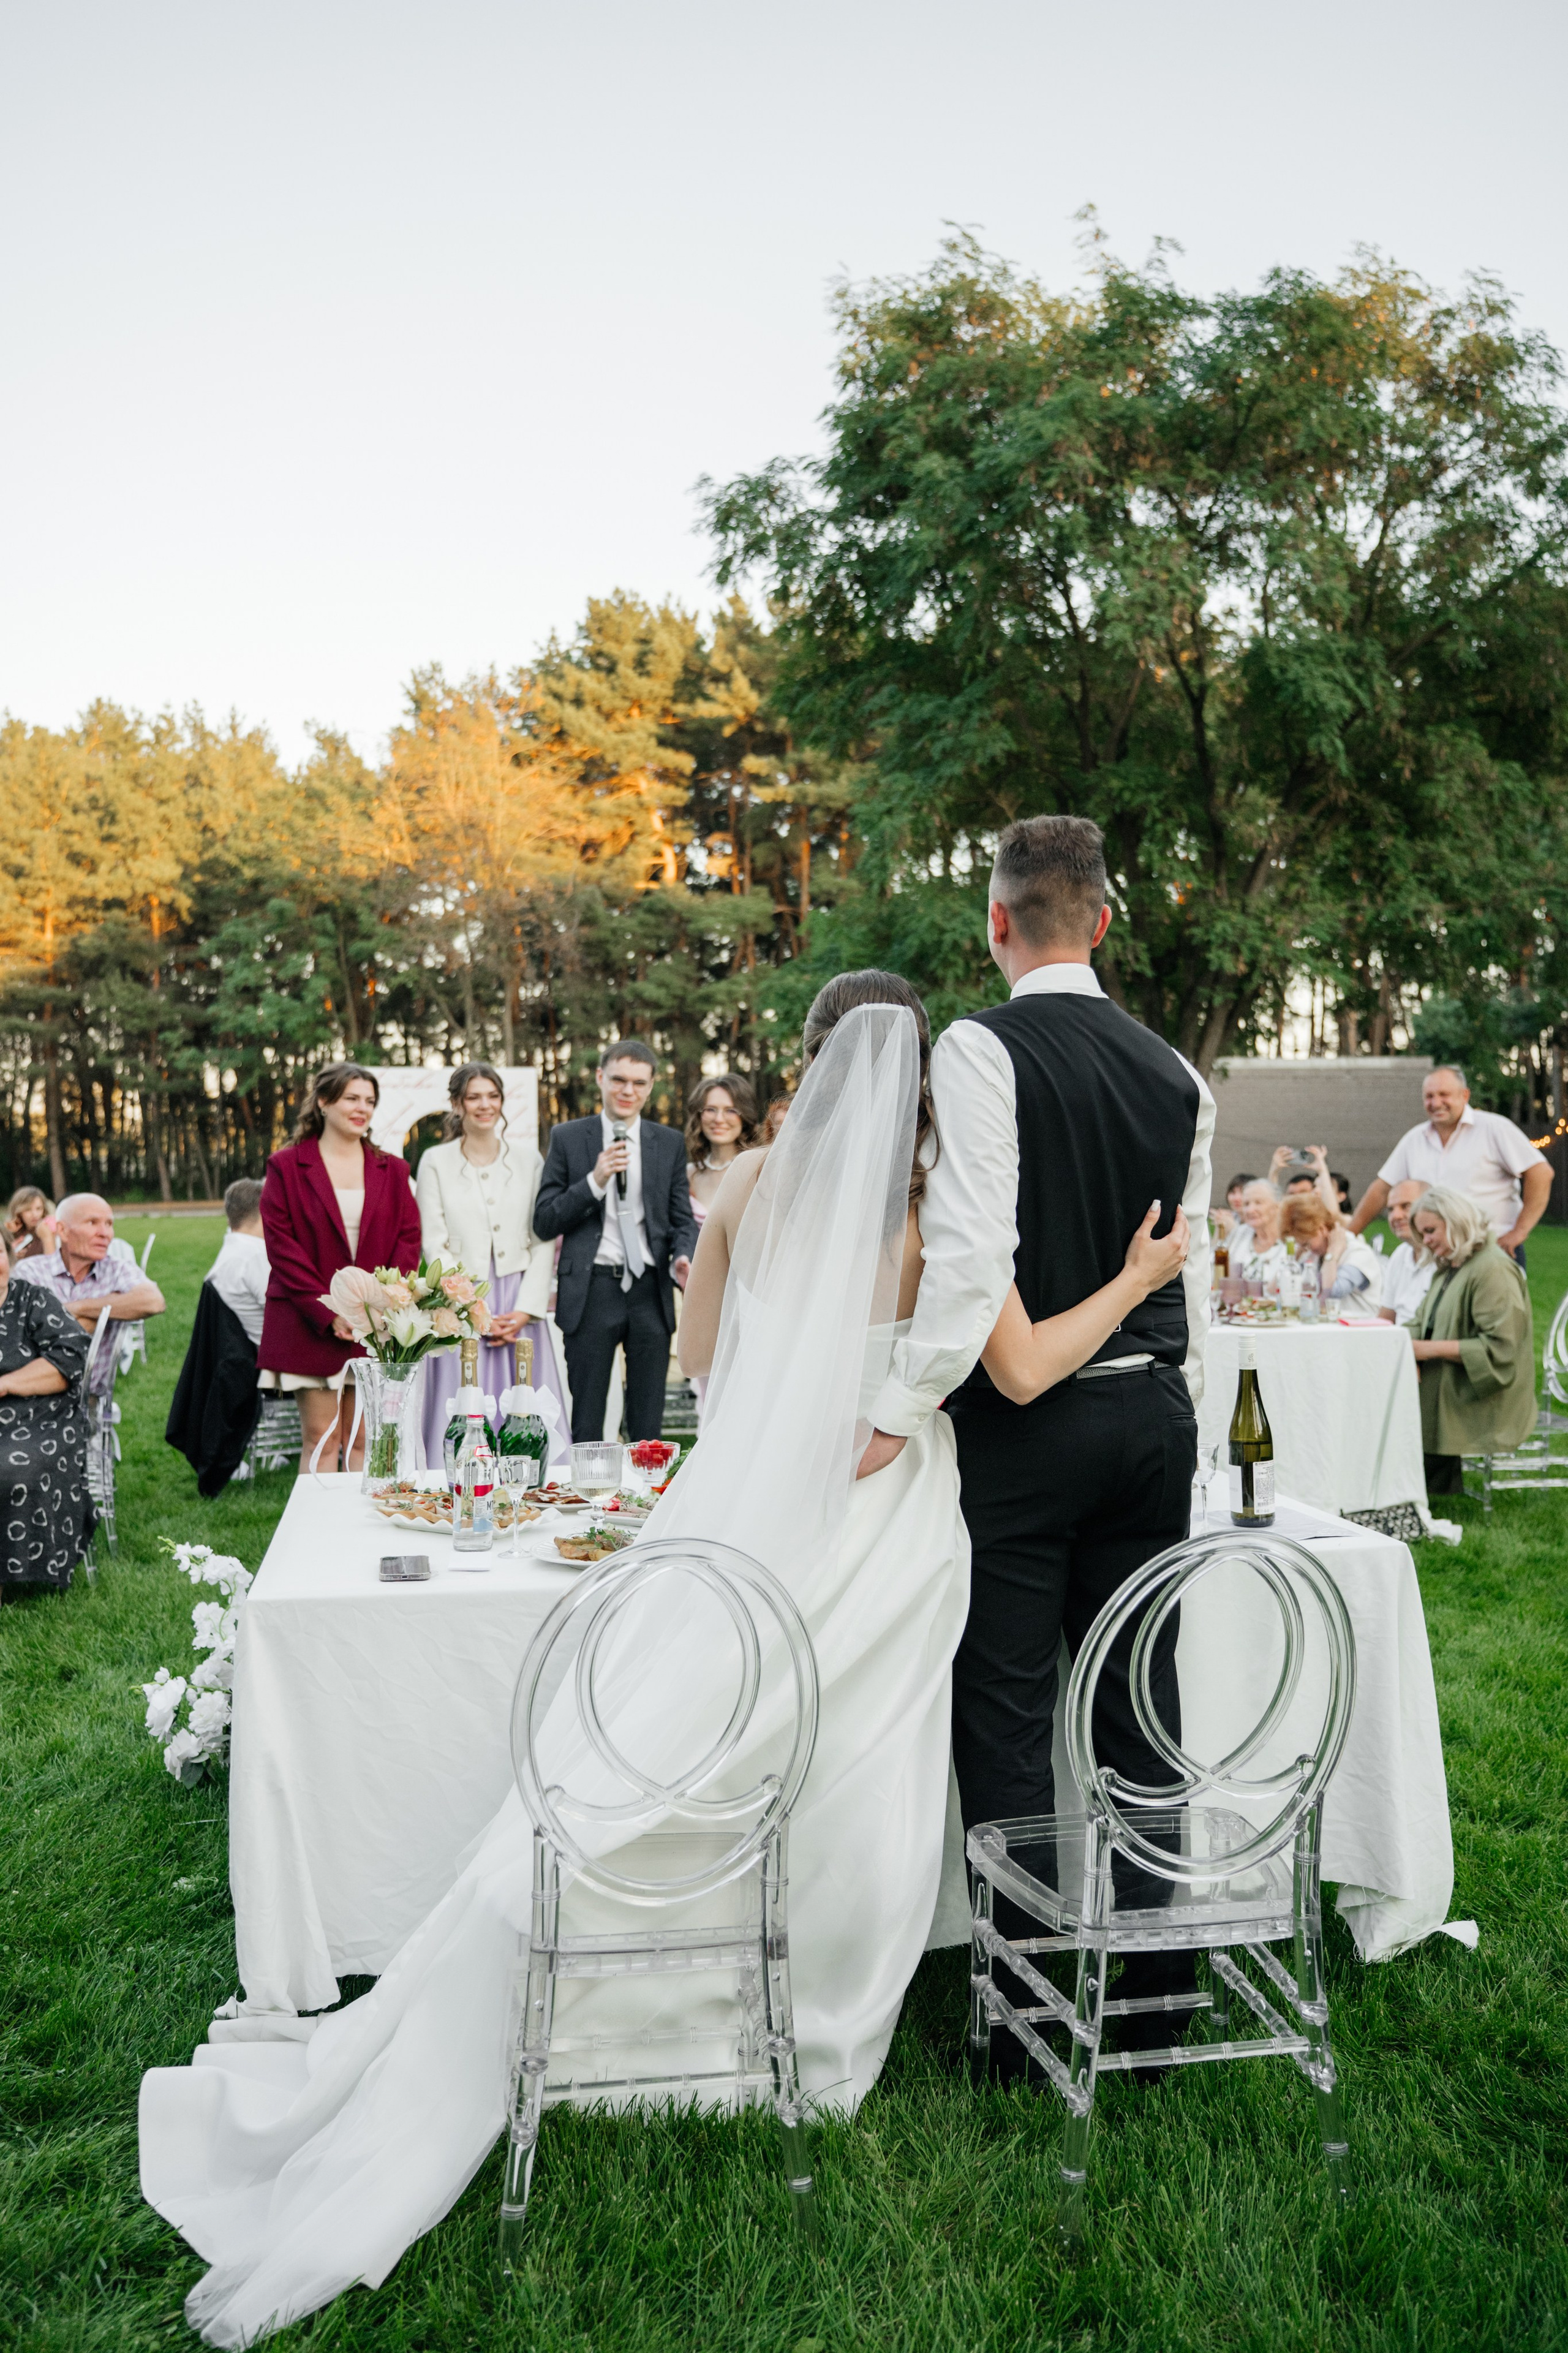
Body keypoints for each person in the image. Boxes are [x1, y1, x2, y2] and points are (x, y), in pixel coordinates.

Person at [139, 983, 1189, 2345]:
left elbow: (692, 1363)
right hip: (887, 1500)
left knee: (700, 1713)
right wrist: (1135, 1282)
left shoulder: (745, 1180)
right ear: (924, 1079)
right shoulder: (935, 1219)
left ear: (807, 1062)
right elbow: (999, 1363)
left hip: (744, 1497)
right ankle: (817, 2001)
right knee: (857, 1746)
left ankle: (644, 1951)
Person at [854, 814, 1215, 2072]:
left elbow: (966, 1272)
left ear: (995, 922)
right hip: (1151, 1418)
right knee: (1138, 1700)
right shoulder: (1180, 1072)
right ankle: (1162, 2002)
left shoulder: (977, 1045)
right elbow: (1187, 1276)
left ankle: (1021, 2019)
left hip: (1026, 1425)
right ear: (1103, 922)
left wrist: (892, 1413)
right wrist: (1193, 1425)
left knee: (1005, 1718)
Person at [257, 1064, 422, 1475]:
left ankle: (360, 1537)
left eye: (369, 1101)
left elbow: (408, 1239)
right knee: (324, 1438)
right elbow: (282, 1246)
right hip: (308, 1320)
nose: (362, 1108)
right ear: (324, 1101)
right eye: (352, 1098)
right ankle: (318, 1538)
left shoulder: (394, 1170)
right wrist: (328, 1313)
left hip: (373, 1323)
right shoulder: (286, 1166)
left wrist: (381, 1306)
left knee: (365, 1440)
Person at [532, 1040, 698, 1443]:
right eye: (619, 1080)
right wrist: (595, 1181)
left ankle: (644, 1503)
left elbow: (682, 1219)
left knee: (647, 1424)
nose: (628, 1091)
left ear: (651, 1086)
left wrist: (683, 1255)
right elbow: (545, 1220)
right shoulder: (569, 1137)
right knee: (588, 1420)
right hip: (593, 1289)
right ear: (600, 1078)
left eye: (639, 1083)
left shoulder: (669, 1142)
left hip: (650, 1291)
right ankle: (589, 1502)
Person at [415, 1062, 568, 1468]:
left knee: (525, 1394)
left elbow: (542, 1235)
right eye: (474, 1096)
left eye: (493, 1096)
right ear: (457, 1104)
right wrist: (468, 1307)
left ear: (502, 1102)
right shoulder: (434, 1161)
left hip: (518, 1298)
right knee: (463, 1388)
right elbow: (434, 1239)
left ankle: (531, 1481)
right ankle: (456, 1479)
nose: (485, 1105)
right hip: (461, 1303)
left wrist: (526, 1309)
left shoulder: (529, 1159)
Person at [1352, 1064, 1549, 1268]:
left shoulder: (1494, 1129)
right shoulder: (1414, 1140)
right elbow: (1382, 1189)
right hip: (1436, 1256)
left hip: (1490, 1251)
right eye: (1429, 1096)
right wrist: (1350, 1236)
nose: (1436, 1103)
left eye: (1444, 1095)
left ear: (1465, 1095)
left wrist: (1519, 1232)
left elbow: (1541, 1173)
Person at [1407, 1184, 1536, 1497]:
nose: (1426, 1241)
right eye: (1422, 1234)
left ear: (1457, 1221)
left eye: (1430, 1231)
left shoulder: (1492, 1268)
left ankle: (1430, 1490)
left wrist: (1423, 1351)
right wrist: (1398, 1345)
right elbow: (1420, 1322)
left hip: (1485, 1391)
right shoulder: (1452, 1266)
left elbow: (1500, 1348)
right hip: (1450, 1380)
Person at [165, 1182, 268, 1497]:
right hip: (263, 1359)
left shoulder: (234, 1246)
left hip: (239, 1357)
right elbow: (285, 1313)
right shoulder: (254, 1256)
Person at [0, 1245, 92, 1598]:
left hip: (42, 1416)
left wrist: (7, 1383)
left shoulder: (32, 1300)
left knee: (10, 1467)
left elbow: (70, 1356)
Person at [11, 1193, 165, 1389]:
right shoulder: (31, 1270)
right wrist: (109, 1307)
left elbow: (154, 1301)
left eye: (109, 1224)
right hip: (32, 1396)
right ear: (63, 1231)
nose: (105, 1233)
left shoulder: (116, 1269)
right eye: (92, 1223)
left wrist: (76, 1308)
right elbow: (18, 1335)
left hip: (87, 1400)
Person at [1277, 1195, 1383, 1314]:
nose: (1305, 1250)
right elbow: (1277, 1287)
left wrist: (1332, 1255)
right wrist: (1294, 1258)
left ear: (1321, 1229)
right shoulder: (1317, 1254)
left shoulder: (1358, 1253)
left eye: (1306, 1244)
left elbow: (1332, 1292)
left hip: (1361, 1328)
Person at [684, 1074, 758, 1223]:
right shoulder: (687, 1175)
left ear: (745, 1117)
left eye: (731, 1110)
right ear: (698, 1116)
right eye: (710, 1110)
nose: (719, 1120)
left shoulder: (757, 1173)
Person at [1378, 1179, 1436, 1328]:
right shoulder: (1400, 1255)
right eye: (1390, 1209)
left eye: (1406, 1206)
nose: (1396, 1216)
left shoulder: (1445, 1256)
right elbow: (1385, 1319)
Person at [1230, 1177, 1286, 1282]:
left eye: (1258, 1203)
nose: (1250, 1210)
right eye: (1246, 1204)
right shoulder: (1239, 1233)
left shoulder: (1291, 1241)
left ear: (1277, 1206)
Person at [5, 1187, 56, 1265]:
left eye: (39, 1209)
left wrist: (47, 1238)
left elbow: (53, 1265)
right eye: (28, 1210)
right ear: (18, 1211)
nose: (35, 1215)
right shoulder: (12, 1232)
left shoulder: (50, 1229)